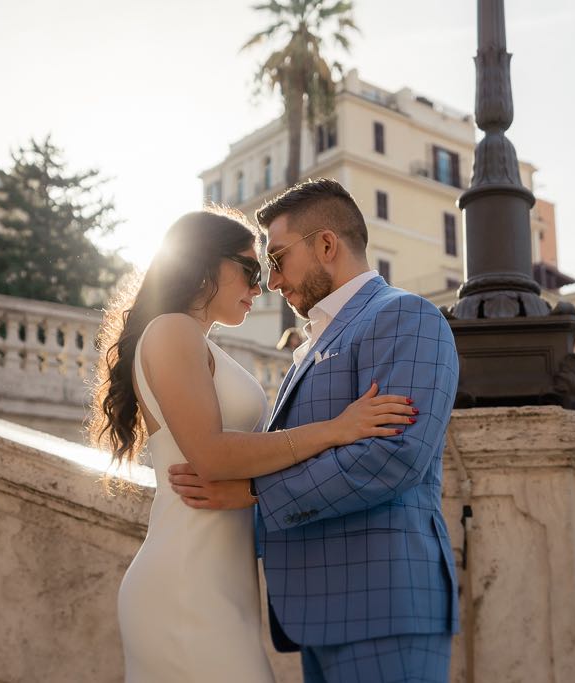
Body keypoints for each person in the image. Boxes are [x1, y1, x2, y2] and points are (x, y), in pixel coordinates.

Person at [89, 207, 417, 683]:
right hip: (187, 585)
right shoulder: (172, 330)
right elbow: (213, 455)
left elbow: (240, 460)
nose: (261, 286)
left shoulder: (193, 340)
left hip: (219, 585)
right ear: (204, 265)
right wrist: (337, 429)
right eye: (250, 270)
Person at [168, 179, 460, 682]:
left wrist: (256, 492)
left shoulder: (406, 316)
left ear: (326, 245)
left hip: (383, 606)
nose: (273, 282)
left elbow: (392, 457)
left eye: (277, 259)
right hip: (319, 616)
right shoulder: (312, 343)